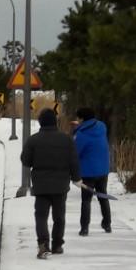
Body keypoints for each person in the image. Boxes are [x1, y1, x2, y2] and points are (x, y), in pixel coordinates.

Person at [21, 108, 82, 259]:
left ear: (40, 122)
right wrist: (76, 178)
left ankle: (43, 244)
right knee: (59, 216)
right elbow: (73, 161)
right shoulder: (66, 139)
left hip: (41, 185)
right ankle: (57, 245)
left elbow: (25, 161)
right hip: (60, 185)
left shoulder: (33, 140)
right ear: (55, 122)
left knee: (41, 216)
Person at [73, 107, 112, 235]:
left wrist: (76, 131)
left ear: (82, 119)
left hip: (88, 171)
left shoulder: (81, 134)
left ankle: (84, 228)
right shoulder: (102, 127)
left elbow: (76, 152)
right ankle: (107, 224)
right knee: (103, 196)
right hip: (103, 169)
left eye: (78, 118)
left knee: (86, 200)